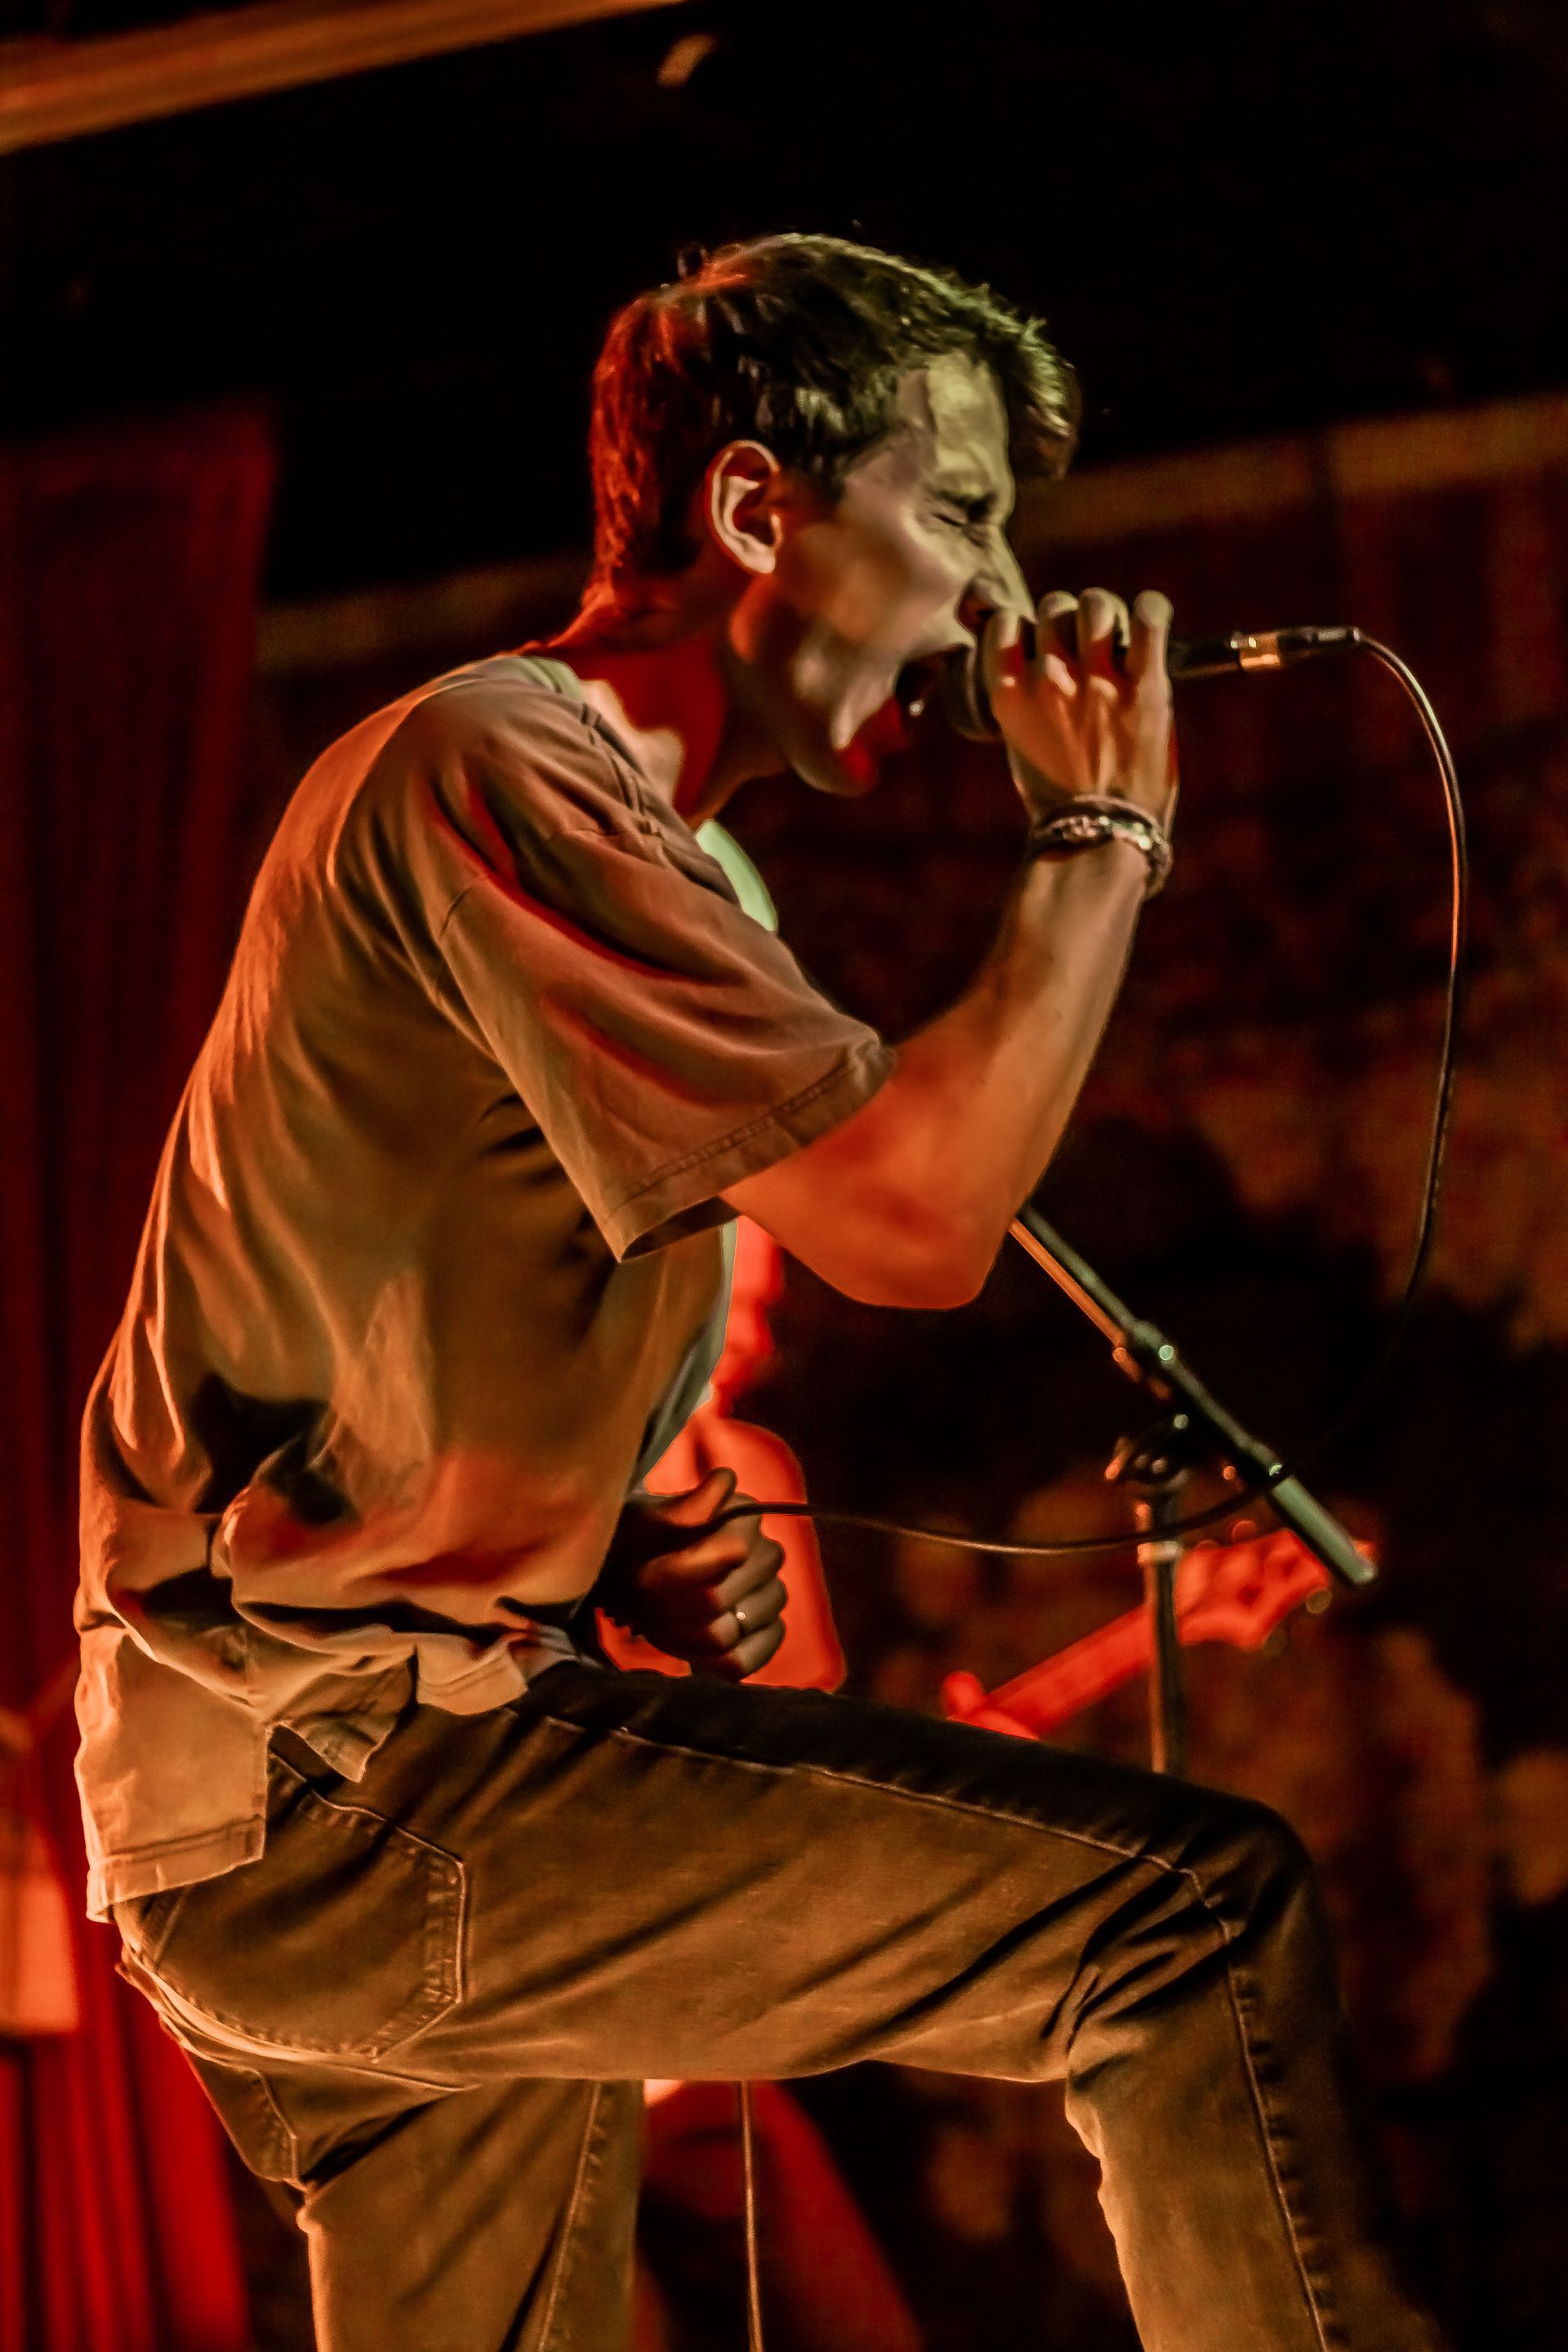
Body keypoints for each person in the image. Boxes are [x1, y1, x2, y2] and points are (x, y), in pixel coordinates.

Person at [77, 234, 1443, 2352]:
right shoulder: (491, 765)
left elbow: (360, 1304)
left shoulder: (666, 866)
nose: (1001, 600)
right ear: (749, 512)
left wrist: (629, 1531)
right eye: (964, 512)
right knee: (1186, 1920)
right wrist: (1097, 830)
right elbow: (916, 1223)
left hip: (311, 1803)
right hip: (352, 1793)